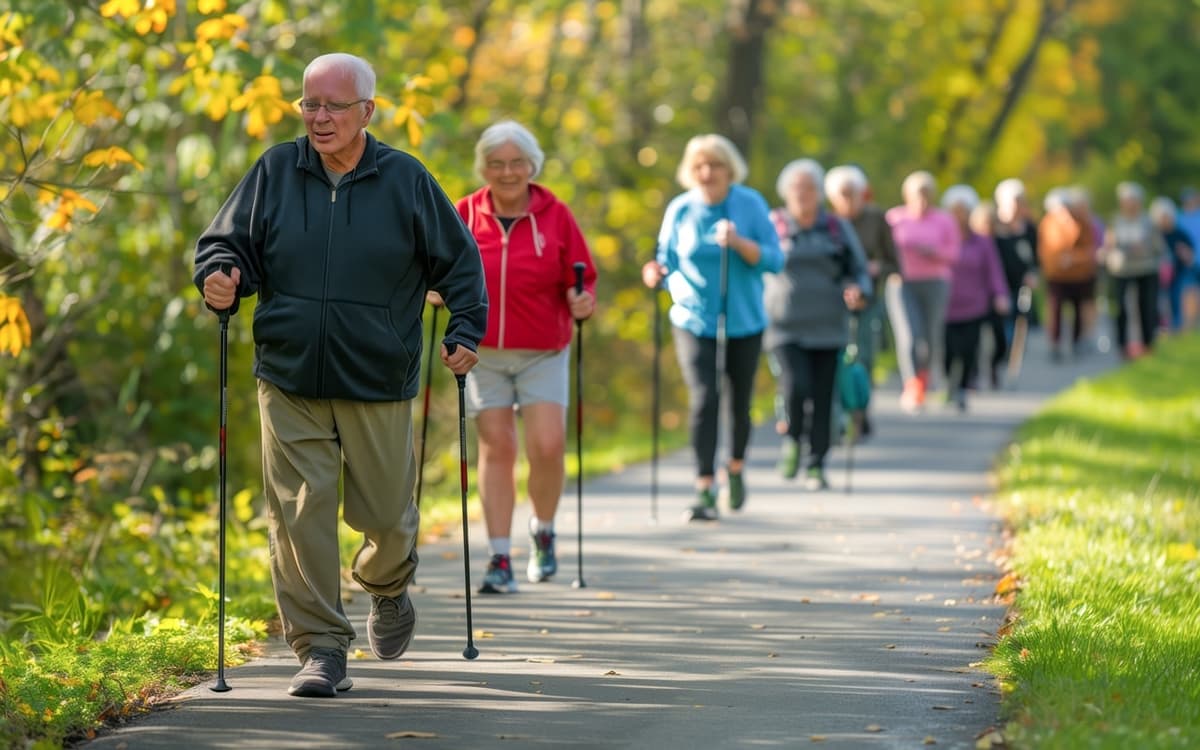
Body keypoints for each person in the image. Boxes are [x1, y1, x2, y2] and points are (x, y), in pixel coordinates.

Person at [194, 53, 488, 698]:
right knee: (299, 514)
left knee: (386, 515)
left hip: (377, 375)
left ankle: (386, 587)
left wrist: (466, 330)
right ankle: (321, 648)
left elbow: (460, 266)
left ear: (367, 112)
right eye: (310, 104)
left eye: (333, 105)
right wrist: (219, 277)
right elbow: (224, 244)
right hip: (290, 372)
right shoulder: (275, 170)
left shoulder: (406, 180)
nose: (319, 117)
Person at [448, 121, 597, 594]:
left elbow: (584, 276)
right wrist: (436, 292)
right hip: (482, 352)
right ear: (483, 167)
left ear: (532, 165)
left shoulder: (556, 215)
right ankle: (498, 557)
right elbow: (439, 266)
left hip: (543, 351)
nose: (507, 172)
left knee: (548, 446)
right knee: (497, 446)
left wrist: (582, 299)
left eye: (516, 163)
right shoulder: (465, 214)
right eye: (496, 163)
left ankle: (544, 530)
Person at [641, 134, 783, 520]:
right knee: (705, 398)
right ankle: (704, 486)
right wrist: (655, 274)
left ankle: (734, 467)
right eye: (700, 166)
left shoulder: (750, 204)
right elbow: (663, 258)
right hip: (692, 317)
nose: (707, 173)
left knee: (739, 401)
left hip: (744, 318)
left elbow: (774, 260)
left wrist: (739, 243)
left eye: (715, 165)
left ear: (729, 169)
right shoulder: (681, 209)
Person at [766, 159, 870, 490]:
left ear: (819, 192)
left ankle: (817, 464)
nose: (803, 194)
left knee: (825, 397)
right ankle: (794, 439)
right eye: (797, 189)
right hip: (784, 324)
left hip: (829, 325)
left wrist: (859, 291)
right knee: (796, 387)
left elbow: (860, 269)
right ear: (785, 193)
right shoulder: (774, 224)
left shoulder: (837, 227)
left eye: (810, 188)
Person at [825, 164, 898, 437]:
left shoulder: (876, 219)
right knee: (836, 359)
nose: (847, 199)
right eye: (841, 194)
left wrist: (876, 269)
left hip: (868, 301)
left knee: (863, 358)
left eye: (852, 193)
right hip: (834, 303)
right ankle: (839, 414)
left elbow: (895, 263)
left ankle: (861, 412)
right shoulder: (827, 223)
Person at [885, 171, 961, 411]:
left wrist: (933, 252)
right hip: (902, 283)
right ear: (906, 195)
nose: (922, 200)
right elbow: (883, 251)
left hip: (935, 283)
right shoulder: (894, 219)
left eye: (927, 195)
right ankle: (912, 385)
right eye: (918, 195)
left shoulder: (944, 220)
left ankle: (926, 377)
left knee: (930, 337)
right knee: (909, 335)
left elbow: (954, 254)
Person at [941, 188, 1009, 410]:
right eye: (955, 211)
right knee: (949, 350)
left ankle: (962, 388)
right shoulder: (942, 239)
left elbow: (994, 270)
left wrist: (1000, 294)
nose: (960, 216)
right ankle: (949, 384)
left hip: (974, 305)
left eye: (964, 211)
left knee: (970, 349)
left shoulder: (982, 242)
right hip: (946, 305)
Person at [1101, 181, 1165, 357]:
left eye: (1133, 200)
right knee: (1121, 307)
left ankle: (1148, 343)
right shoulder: (1115, 221)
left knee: (1147, 306)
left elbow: (1159, 246)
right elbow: (1108, 244)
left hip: (1146, 268)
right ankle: (1122, 344)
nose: (1130, 204)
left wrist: (1144, 248)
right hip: (1121, 269)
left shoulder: (1148, 222)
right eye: (1126, 200)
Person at [1037, 187, 1099, 360]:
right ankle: (1055, 343)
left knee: (1078, 309)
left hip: (1079, 275)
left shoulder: (1082, 222)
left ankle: (1077, 341)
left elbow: (1089, 249)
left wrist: (1074, 258)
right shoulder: (1048, 224)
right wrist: (1056, 262)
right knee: (1056, 310)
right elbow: (1045, 250)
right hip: (1056, 275)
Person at [991, 178, 1039, 384]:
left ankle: (1008, 365)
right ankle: (995, 362)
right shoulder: (993, 227)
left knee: (1016, 324)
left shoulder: (1028, 228)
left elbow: (1035, 257)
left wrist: (1033, 274)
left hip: (1019, 285)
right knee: (997, 328)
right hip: (996, 285)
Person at [1149, 196, 1198, 332]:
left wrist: (1185, 253)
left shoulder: (1179, 233)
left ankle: (1177, 326)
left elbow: (1190, 250)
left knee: (1176, 299)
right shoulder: (1154, 233)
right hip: (1156, 273)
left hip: (1178, 272)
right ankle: (1161, 326)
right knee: (1158, 301)